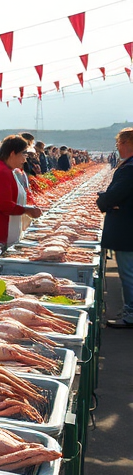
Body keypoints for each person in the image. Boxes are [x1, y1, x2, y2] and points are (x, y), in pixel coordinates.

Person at [98, 129, 133, 328]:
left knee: (128, 273)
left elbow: (114, 196)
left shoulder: (129, 168)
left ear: (126, 143)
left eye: (119, 143)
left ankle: (130, 314)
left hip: (127, 230)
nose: (118, 147)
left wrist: (105, 200)